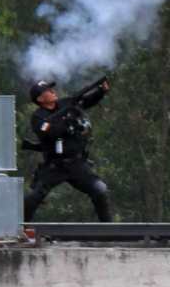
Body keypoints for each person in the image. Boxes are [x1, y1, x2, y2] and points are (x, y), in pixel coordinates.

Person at [24, 78, 112, 223]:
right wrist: (66, 122)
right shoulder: (38, 117)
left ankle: (110, 231)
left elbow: (85, 102)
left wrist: (100, 91)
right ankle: (22, 230)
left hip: (77, 163)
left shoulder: (66, 103)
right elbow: (47, 131)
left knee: (100, 190)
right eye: (47, 90)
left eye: (51, 89)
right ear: (40, 99)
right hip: (55, 166)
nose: (52, 91)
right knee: (33, 197)